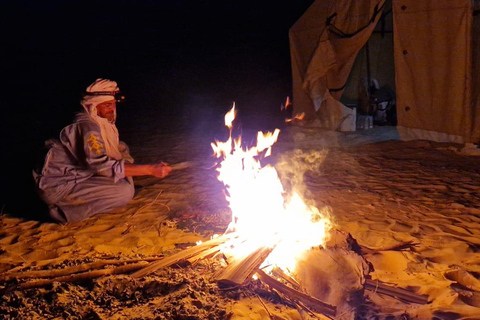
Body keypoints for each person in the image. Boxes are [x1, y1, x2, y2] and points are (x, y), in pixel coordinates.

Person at [33, 78, 172, 223]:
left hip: (78, 176)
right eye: (107, 105)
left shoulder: (99, 121)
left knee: (121, 152)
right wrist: (150, 170)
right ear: (93, 105)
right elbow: (98, 164)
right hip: (59, 186)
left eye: (113, 104)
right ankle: (60, 214)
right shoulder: (86, 125)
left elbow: (115, 151)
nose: (112, 108)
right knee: (123, 192)